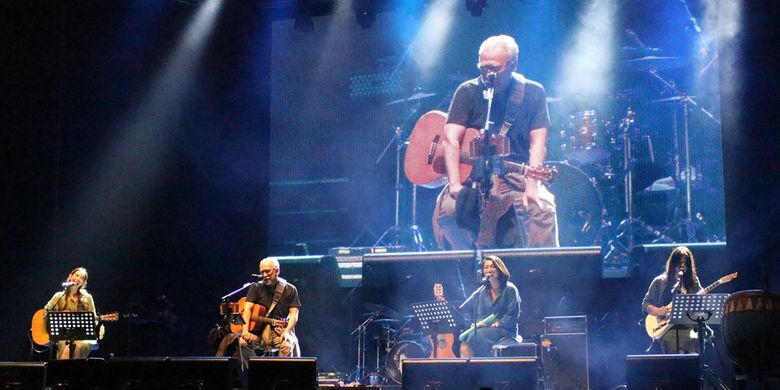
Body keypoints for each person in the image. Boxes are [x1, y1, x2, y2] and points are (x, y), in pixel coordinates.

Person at [432, 34, 558, 250]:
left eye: (495, 68)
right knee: (450, 213)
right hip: (474, 174)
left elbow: (538, 142)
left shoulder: (533, 92)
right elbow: (451, 139)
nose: (488, 74)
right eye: (483, 67)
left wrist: (533, 184)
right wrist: (454, 184)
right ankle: (466, 271)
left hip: (515, 173)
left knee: (542, 209)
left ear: (513, 64)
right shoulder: (467, 91)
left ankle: (542, 274)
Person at [642, 246, 703, 354]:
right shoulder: (659, 282)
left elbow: (701, 303)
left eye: (685, 263)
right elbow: (646, 304)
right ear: (673, 264)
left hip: (689, 330)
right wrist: (657, 311)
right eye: (680, 263)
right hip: (667, 331)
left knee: (693, 353)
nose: (682, 266)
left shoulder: (694, 282)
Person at [237, 257, 301, 358]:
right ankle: (252, 371)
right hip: (259, 332)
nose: (264, 275)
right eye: (262, 272)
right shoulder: (255, 287)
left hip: (279, 332)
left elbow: (294, 314)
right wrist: (245, 331)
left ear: (277, 270)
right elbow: (247, 309)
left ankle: (281, 373)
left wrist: (287, 332)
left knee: (287, 346)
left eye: (267, 271)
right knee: (242, 343)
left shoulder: (290, 289)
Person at [460, 255, 521, 357]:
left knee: (474, 337)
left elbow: (512, 315)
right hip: (487, 328)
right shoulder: (483, 291)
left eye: (493, 266)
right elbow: (481, 314)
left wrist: (499, 323)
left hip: (506, 329)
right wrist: (480, 323)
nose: (489, 270)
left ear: (499, 269)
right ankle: (469, 370)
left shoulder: (510, 289)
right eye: (486, 267)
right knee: (465, 340)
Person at [43, 267, 98, 359]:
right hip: (63, 335)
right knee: (66, 348)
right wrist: (60, 315)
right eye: (77, 275)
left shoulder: (88, 298)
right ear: (70, 276)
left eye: (82, 278)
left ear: (84, 282)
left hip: (82, 335)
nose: (78, 279)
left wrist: (90, 322)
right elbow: (45, 312)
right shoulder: (59, 296)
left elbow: (94, 320)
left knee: (81, 346)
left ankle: (73, 371)